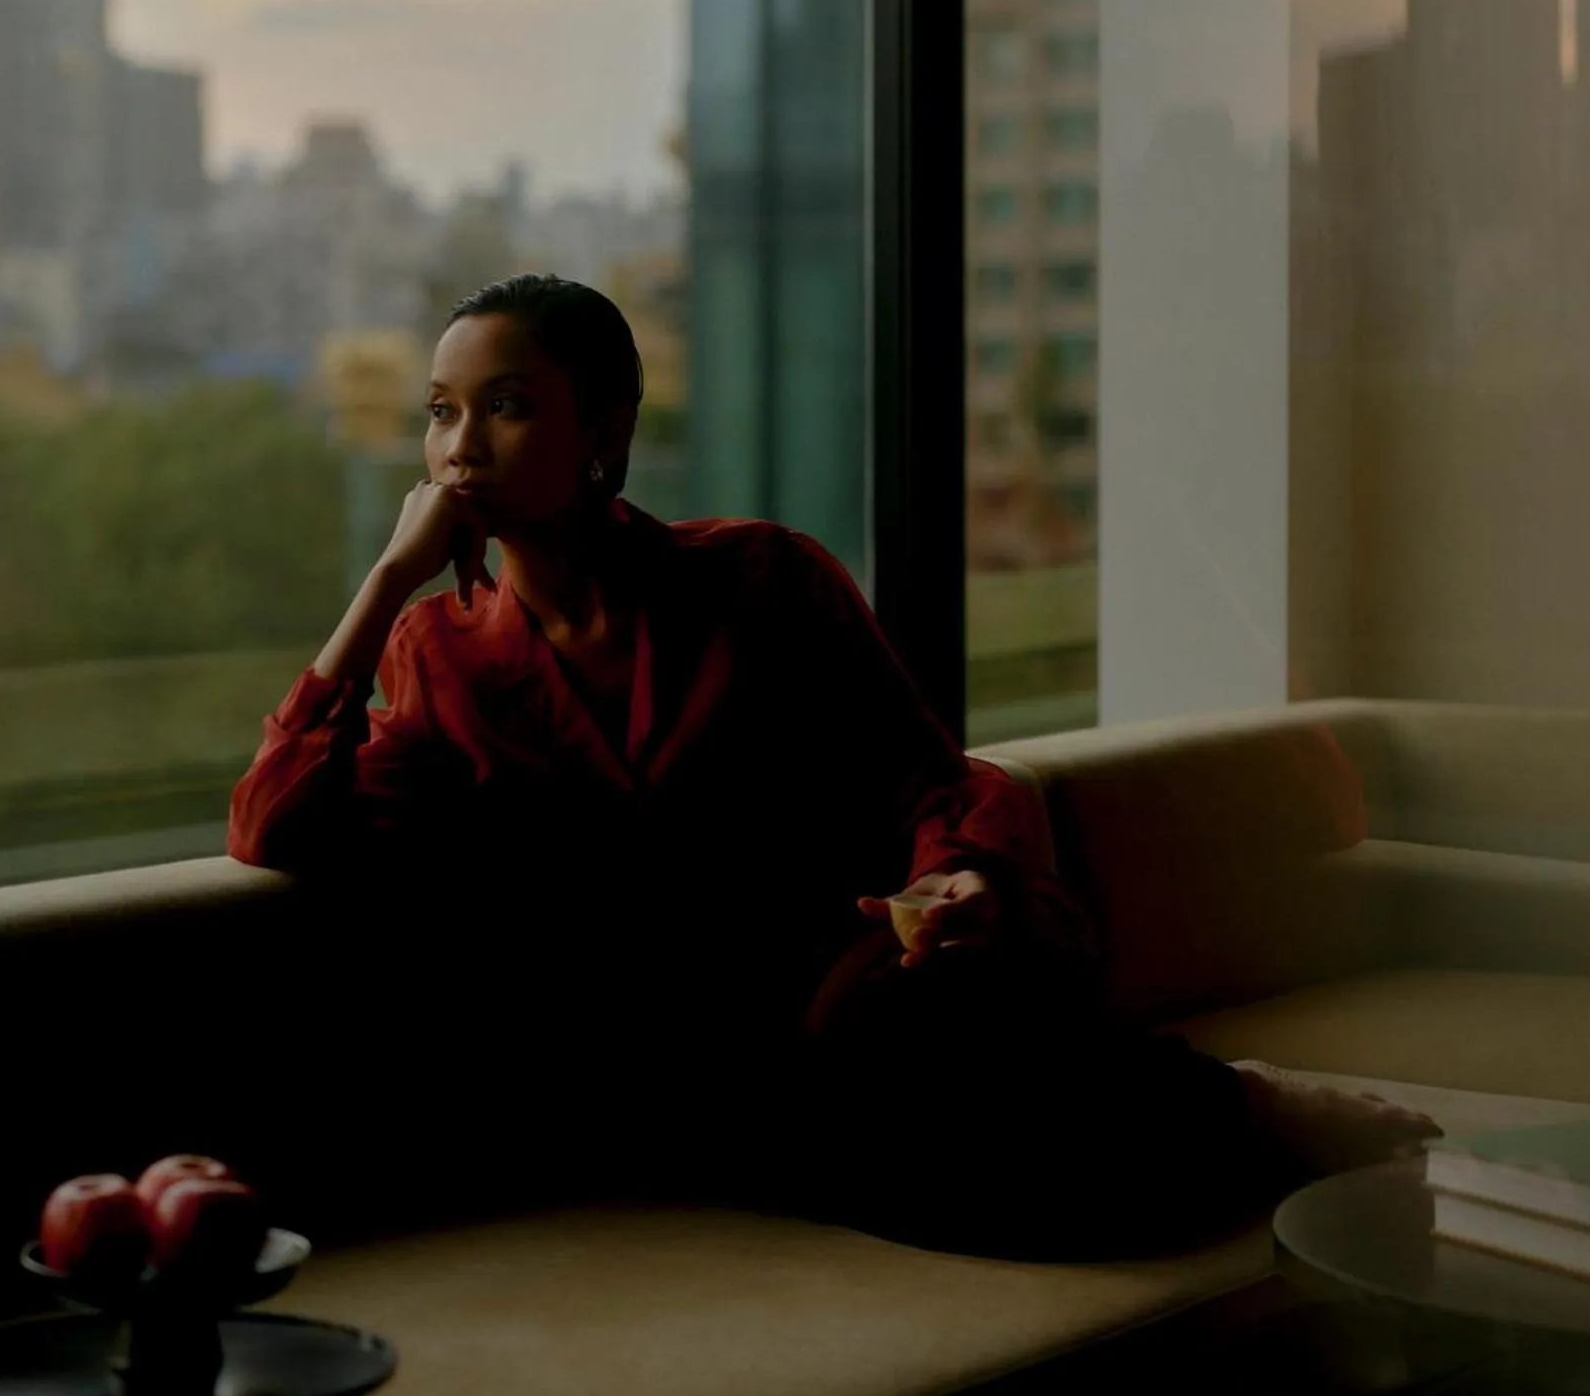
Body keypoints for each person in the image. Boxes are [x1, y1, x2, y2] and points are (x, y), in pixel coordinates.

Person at [229, 274, 1437, 1261]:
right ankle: (1217, 1110)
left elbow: (938, 777)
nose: (459, 447)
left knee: (967, 1075)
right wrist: (383, 581)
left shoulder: (757, 578)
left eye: (504, 406)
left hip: (865, 997)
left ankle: (1235, 1105)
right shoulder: (437, 655)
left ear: (604, 433)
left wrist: (963, 874)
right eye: (439, 411)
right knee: (1052, 1209)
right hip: (679, 1077)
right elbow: (276, 823)